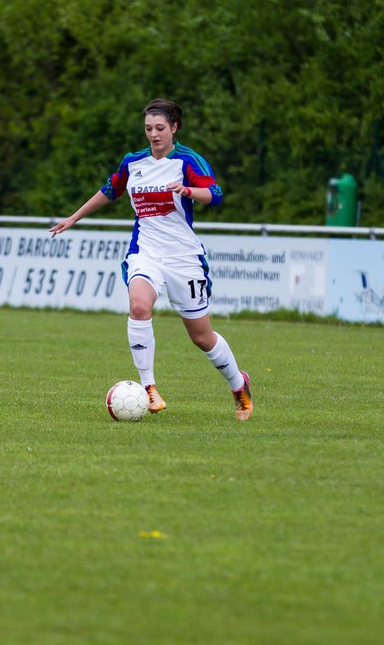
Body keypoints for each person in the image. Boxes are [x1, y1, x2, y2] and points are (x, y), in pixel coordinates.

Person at [50, 98, 252, 420]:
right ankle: (149, 389)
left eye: (160, 128)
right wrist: (74, 218)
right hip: (145, 252)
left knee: (201, 337)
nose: (154, 135)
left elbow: (215, 194)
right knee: (139, 306)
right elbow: (110, 190)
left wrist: (187, 190)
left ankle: (237, 383)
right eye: (148, 129)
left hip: (184, 258)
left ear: (174, 128)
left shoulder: (188, 161)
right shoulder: (133, 163)